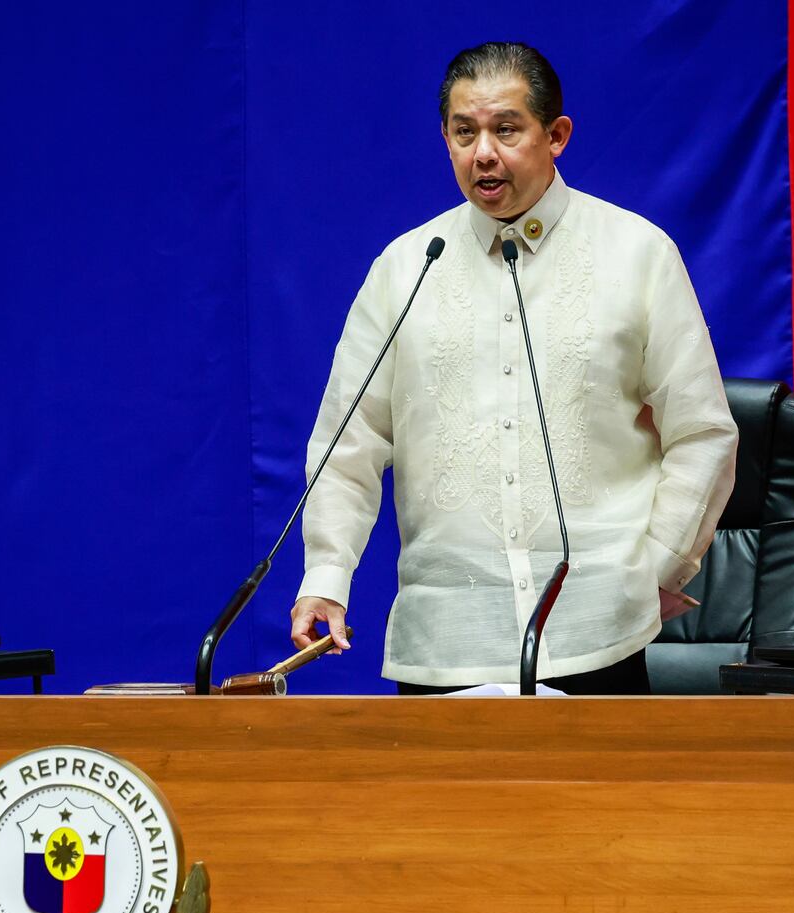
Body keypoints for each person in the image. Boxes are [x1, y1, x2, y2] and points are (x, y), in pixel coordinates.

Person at [289, 41, 737, 695]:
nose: (483, 154)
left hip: (598, 638)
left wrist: (655, 569)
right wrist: (326, 576)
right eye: (464, 132)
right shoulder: (407, 268)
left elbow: (702, 433)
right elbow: (345, 448)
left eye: (506, 129)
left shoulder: (636, 254)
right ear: (444, 136)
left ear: (555, 135)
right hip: (447, 640)